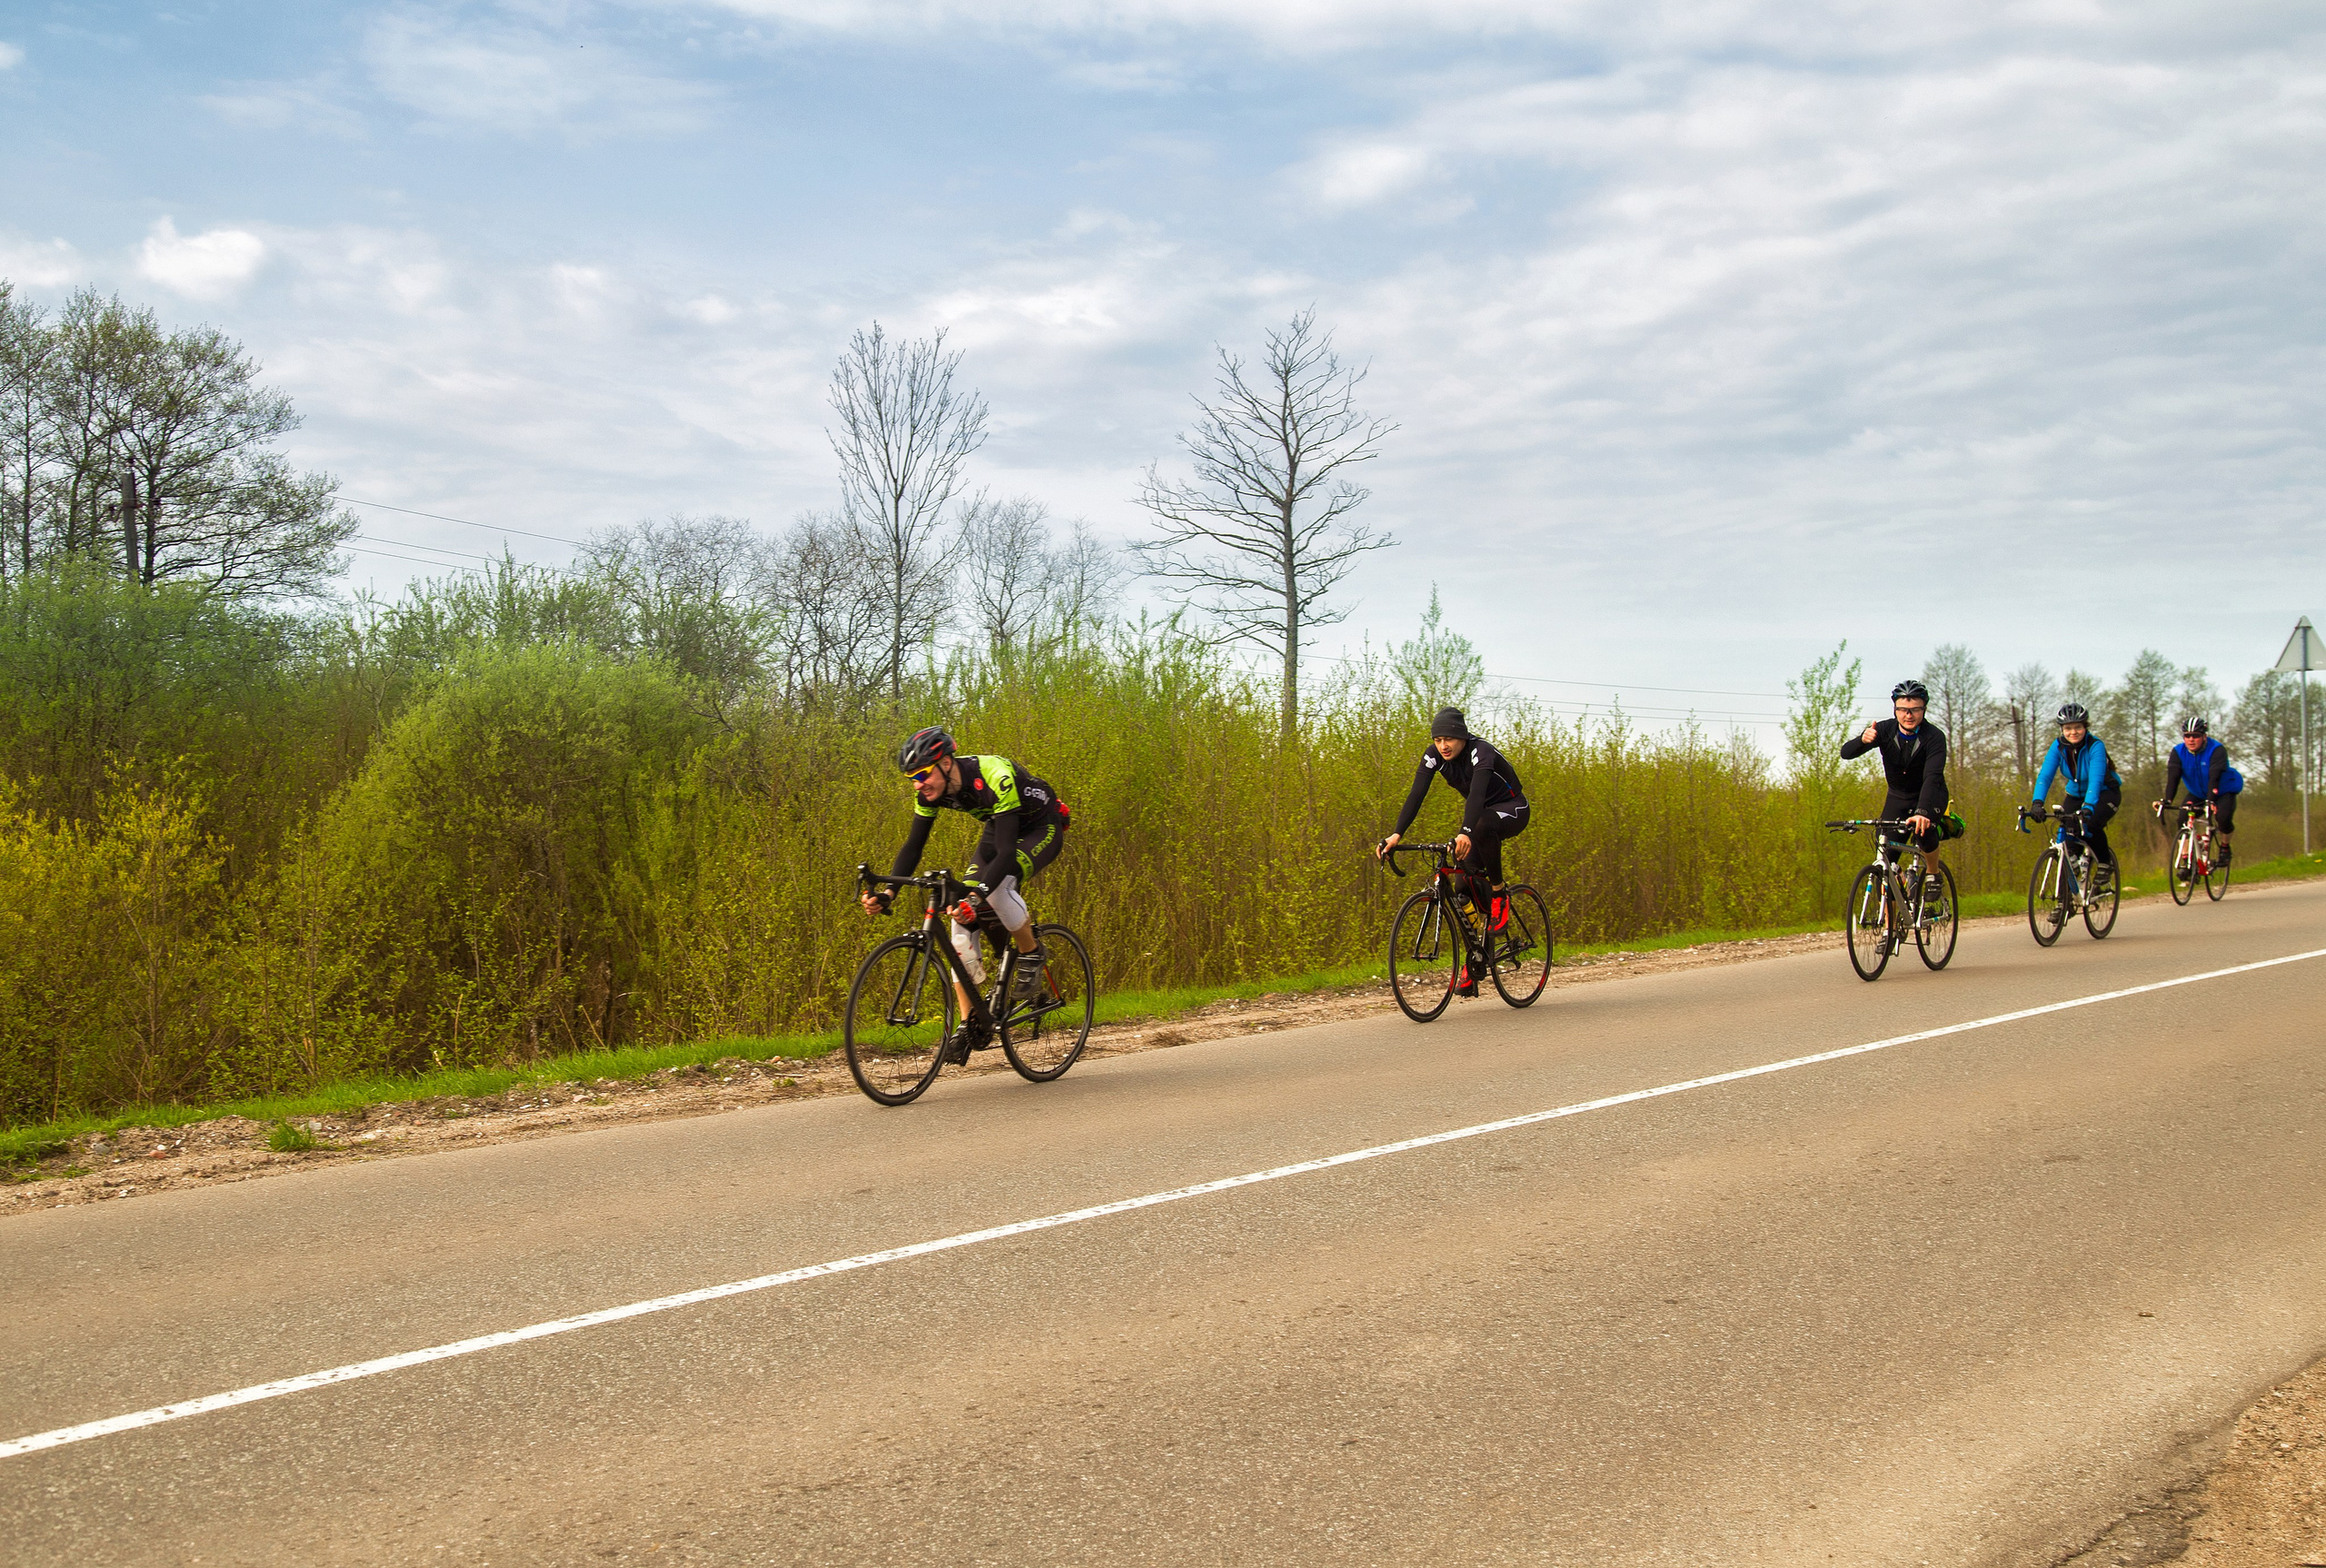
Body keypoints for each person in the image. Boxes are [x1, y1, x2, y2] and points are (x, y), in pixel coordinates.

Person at [860, 726, 1071, 1061]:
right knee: (958, 912)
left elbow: (1004, 855)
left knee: (997, 888)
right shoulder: (929, 792)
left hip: (1039, 826)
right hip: (999, 825)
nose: (918, 784)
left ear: (945, 763)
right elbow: (913, 846)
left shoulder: (994, 775)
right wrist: (889, 892)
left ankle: (1030, 952)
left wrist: (977, 897)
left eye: (922, 774)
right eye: (911, 778)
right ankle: (969, 1021)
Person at [1376, 707, 1529, 996]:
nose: (1443, 746)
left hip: (1512, 809)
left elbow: (1477, 796)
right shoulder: (1433, 756)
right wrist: (1396, 834)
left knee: (1481, 826)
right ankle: (1476, 959)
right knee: (1461, 889)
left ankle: (1499, 894)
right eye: (1437, 739)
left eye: (1449, 739)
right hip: (1480, 818)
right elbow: (1416, 794)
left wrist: (1465, 832)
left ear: (1461, 737)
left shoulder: (1480, 751)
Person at [1839, 680, 1953, 876]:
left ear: (1923, 709)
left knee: (1923, 831)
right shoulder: (1884, 730)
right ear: (1895, 710)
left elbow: (1932, 777)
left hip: (1930, 794)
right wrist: (1862, 740)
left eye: (1915, 709)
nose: (1908, 715)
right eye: (1902, 709)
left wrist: (1922, 812)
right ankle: (1891, 899)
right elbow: (1846, 753)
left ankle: (1933, 874)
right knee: (1884, 861)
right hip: (1898, 797)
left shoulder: (1934, 737)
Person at [2025, 702, 2122, 886]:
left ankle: (2104, 863)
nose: (2073, 732)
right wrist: (2037, 803)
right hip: (2075, 795)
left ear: (2085, 727)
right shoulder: (2058, 746)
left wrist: (2088, 808)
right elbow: (2045, 776)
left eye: (2078, 727)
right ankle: (2065, 901)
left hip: (2105, 793)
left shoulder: (2096, 746)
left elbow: (2096, 779)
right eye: (2068, 728)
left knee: (2090, 824)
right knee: (2067, 843)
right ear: (2062, 730)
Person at [2155, 717, 2244, 865]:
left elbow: (2214, 778)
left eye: (2195, 736)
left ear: (2204, 737)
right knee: (2182, 819)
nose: (2191, 739)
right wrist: (2167, 800)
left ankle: (2225, 847)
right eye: (2187, 736)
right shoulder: (2178, 752)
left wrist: (2210, 801)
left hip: (2222, 790)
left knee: (2223, 818)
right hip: (2197, 792)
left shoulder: (2217, 750)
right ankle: (2185, 859)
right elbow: (2173, 778)